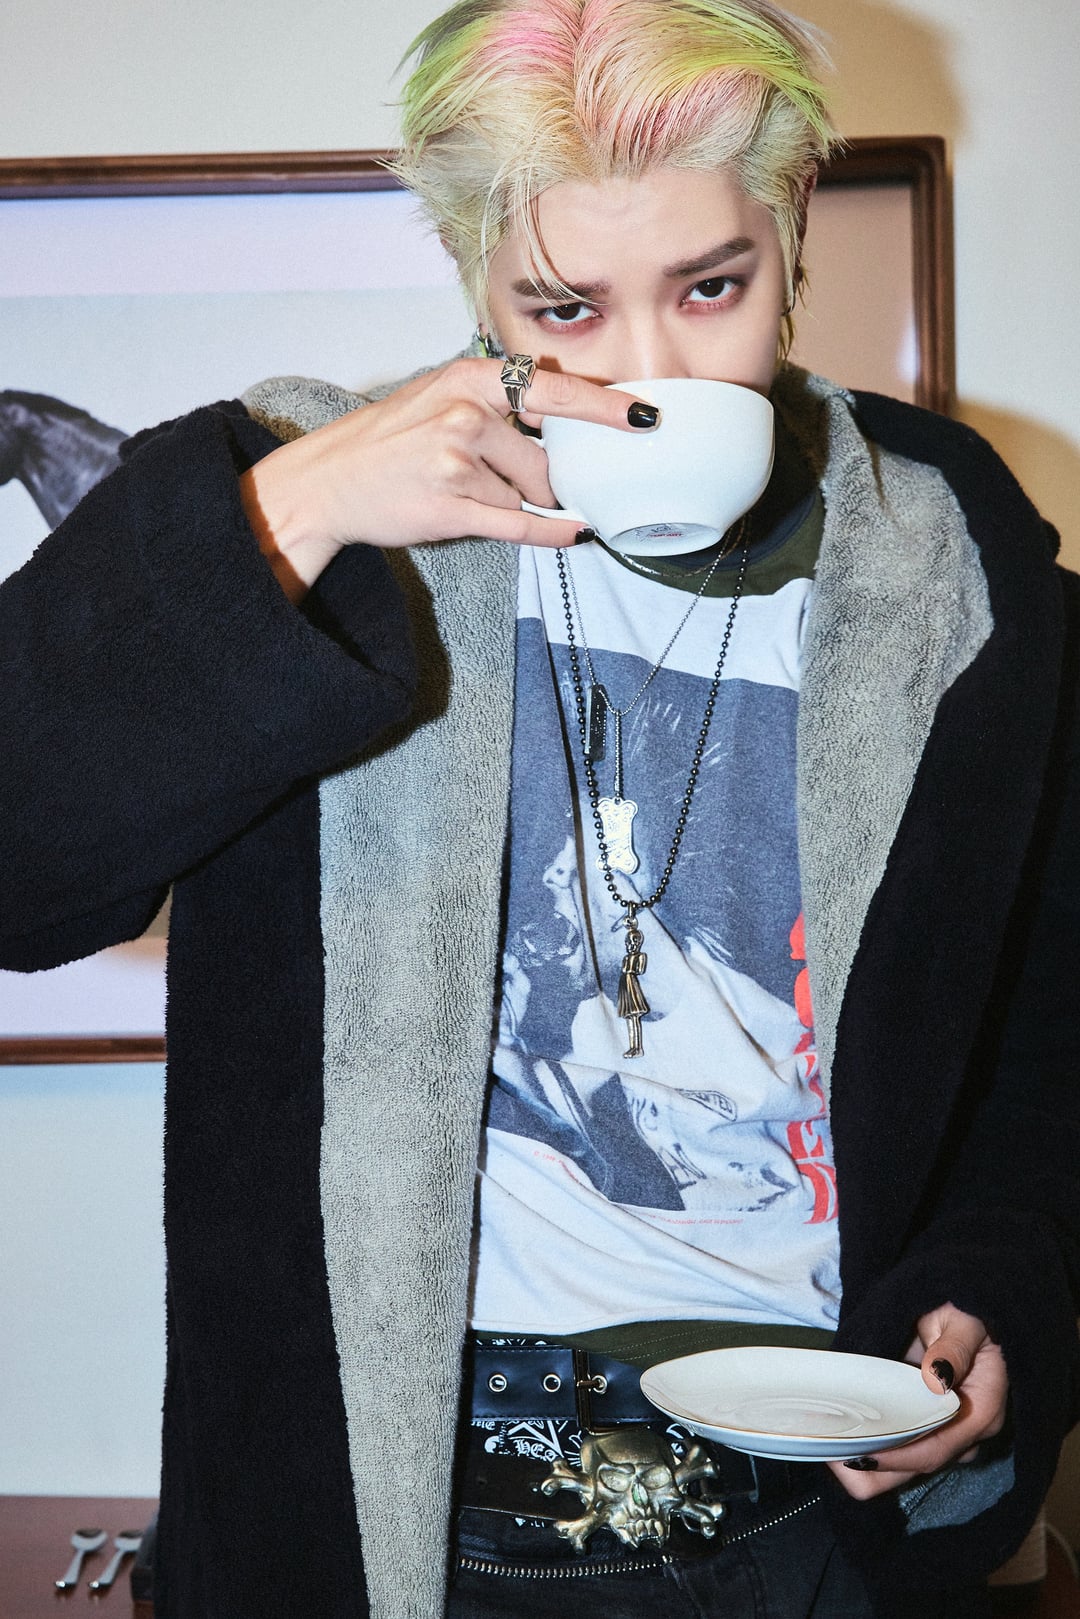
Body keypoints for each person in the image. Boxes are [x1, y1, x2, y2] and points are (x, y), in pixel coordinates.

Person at [3, 0, 1079, 1615]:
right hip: (387, 1531)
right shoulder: (320, 520)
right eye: (564, 308)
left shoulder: (955, 578)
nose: (647, 377)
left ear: (792, 227)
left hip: (805, 1532)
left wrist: (991, 1295)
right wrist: (295, 504)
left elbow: (1035, 1051)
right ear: (472, 276)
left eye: (711, 288)